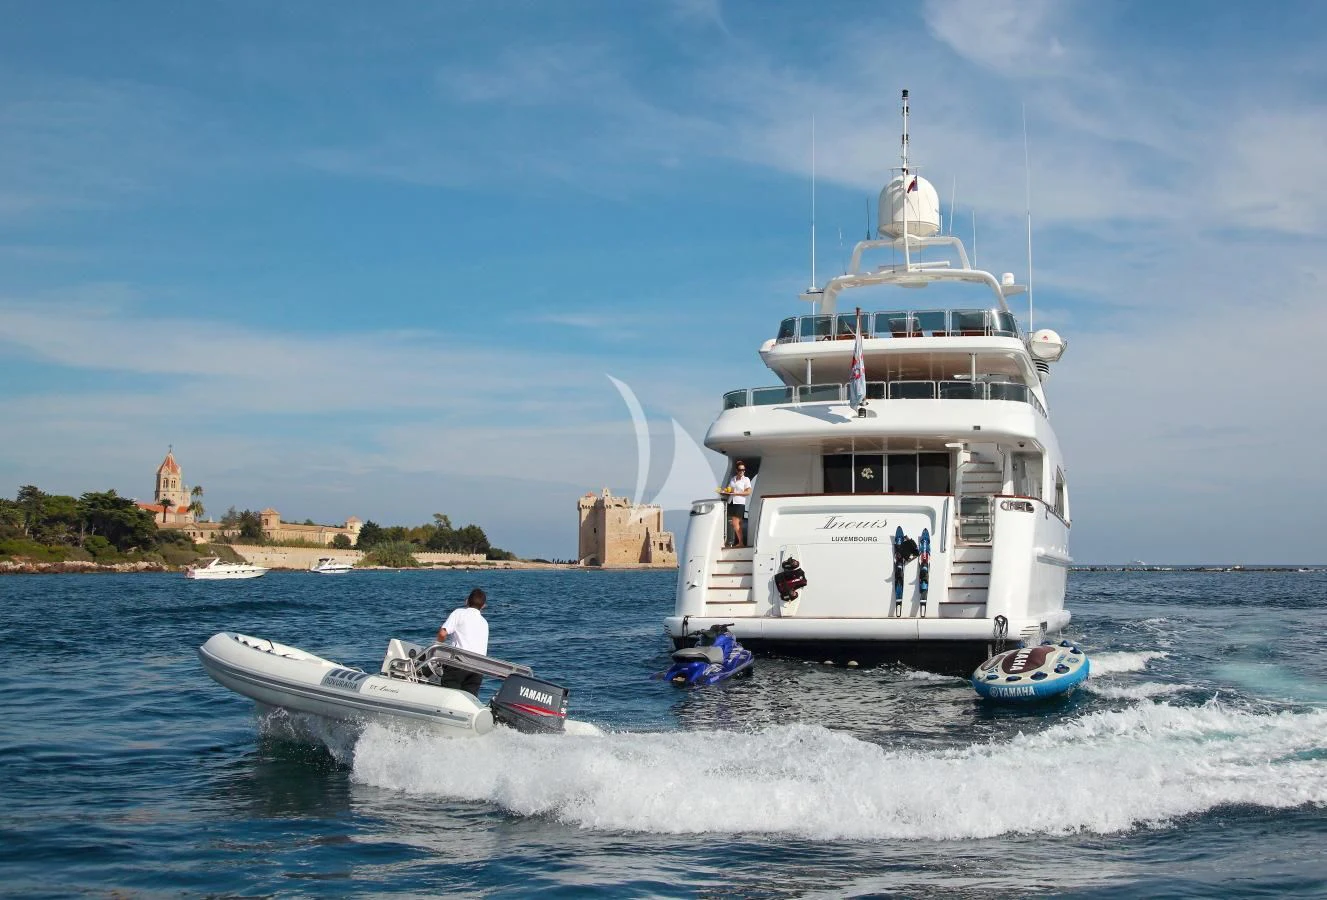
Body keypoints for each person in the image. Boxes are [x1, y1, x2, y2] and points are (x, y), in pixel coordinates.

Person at [434, 587, 489, 696]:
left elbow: (442, 634)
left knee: (449, 696)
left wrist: (438, 647)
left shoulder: (459, 613)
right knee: (468, 701)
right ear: (483, 606)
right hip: (478, 669)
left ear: (466, 601)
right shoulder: (485, 623)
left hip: (459, 665)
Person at [722, 461, 752, 548]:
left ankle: (741, 543)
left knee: (735, 523)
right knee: (735, 523)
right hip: (731, 502)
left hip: (739, 503)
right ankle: (734, 541)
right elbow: (730, 489)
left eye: (743, 469)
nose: (742, 471)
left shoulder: (746, 479)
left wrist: (736, 493)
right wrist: (724, 491)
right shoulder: (733, 479)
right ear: (737, 470)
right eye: (740, 469)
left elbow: (748, 492)